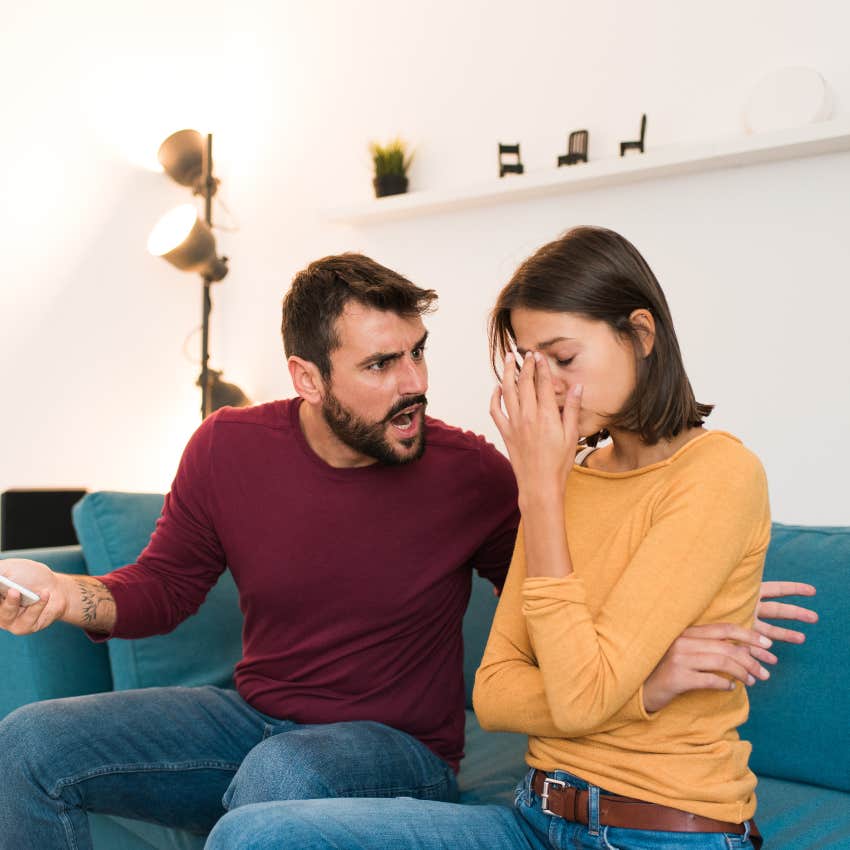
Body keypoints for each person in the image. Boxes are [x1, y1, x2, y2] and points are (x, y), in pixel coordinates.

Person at [0, 252, 812, 849]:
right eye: (382, 363)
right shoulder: (227, 447)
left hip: (395, 747)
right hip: (254, 717)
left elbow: (569, 607)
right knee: (28, 741)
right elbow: (168, 585)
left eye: (418, 350)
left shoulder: (479, 475)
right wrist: (68, 593)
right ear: (307, 378)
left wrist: (702, 595)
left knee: (280, 786)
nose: (414, 380)